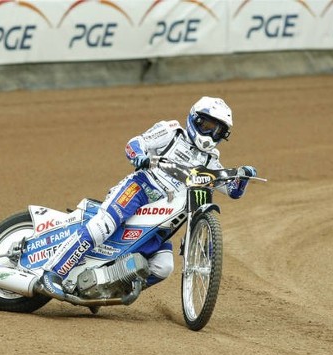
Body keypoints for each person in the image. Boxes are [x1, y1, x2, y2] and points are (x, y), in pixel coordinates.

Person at [37, 96, 257, 299]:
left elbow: (232, 191)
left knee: (163, 267)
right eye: (208, 126)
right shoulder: (171, 131)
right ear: (195, 119)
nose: (210, 134)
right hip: (140, 189)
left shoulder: (211, 160)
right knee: (102, 226)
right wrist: (139, 157)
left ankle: (107, 289)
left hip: (162, 218)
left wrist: (243, 176)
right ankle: (52, 273)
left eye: (217, 131)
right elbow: (134, 144)